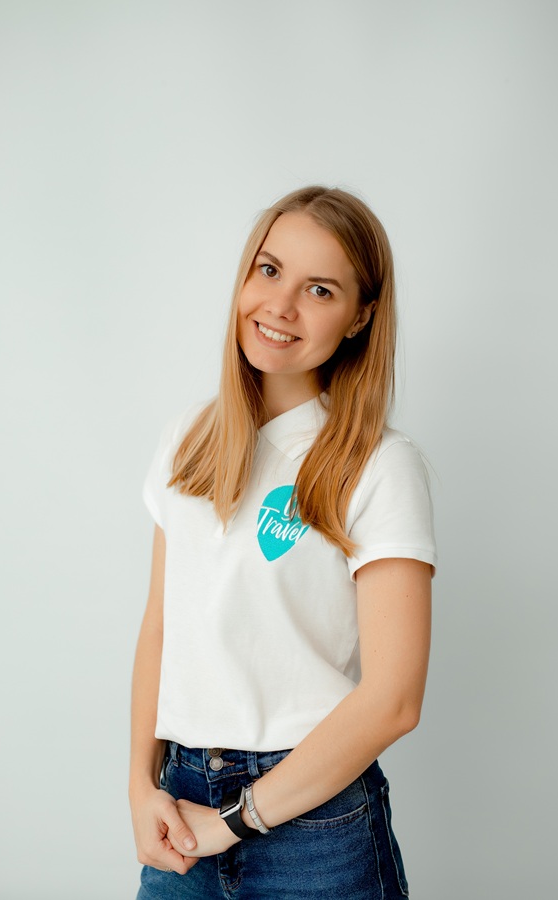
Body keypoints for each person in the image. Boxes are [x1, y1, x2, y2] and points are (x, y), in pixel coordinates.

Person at [129, 185, 437, 899]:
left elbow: (394, 699)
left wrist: (235, 821)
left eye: (319, 289)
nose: (280, 305)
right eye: (269, 270)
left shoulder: (378, 464)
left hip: (314, 824)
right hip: (181, 802)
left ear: (361, 316)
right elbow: (161, 628)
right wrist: (140, 786)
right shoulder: (187, 438)